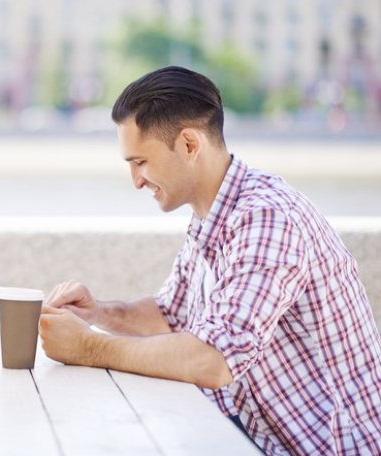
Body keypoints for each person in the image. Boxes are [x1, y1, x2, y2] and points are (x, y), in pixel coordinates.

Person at [38, 66, 381, 455]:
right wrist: (97, 313)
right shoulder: (213, 213)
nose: (135, 181)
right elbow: (169, 315)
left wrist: (88, 348)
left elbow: (214, 360)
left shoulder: (266, 217)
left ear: (188, 145)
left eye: (141, 162)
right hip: (256, 439)